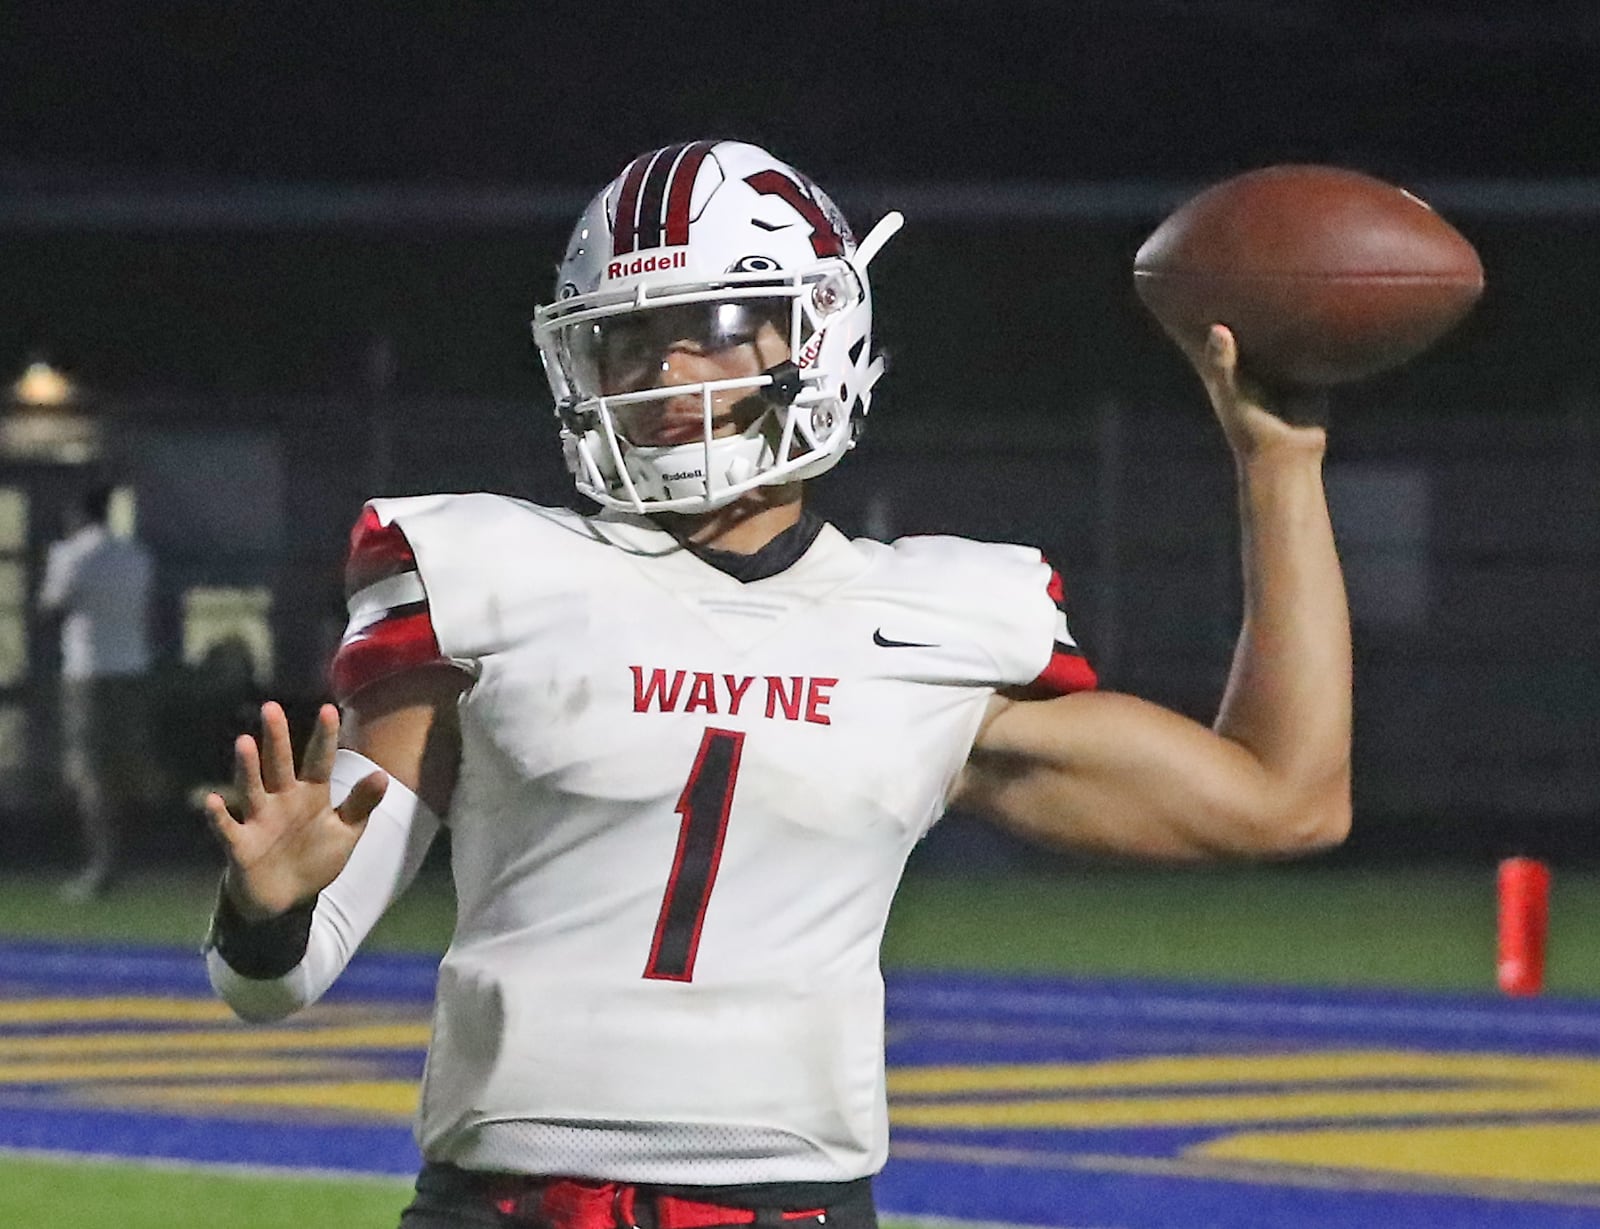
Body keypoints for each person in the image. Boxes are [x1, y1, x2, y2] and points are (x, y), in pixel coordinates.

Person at [203, 141, 1351, 1228]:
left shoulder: (943, 623)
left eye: (705, 330)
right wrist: (266, 906)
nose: (664, 373)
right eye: (630, 341)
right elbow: (274, 981)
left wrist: (1279, 462)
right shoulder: (488, 575)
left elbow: (1284, 798)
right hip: (507, 1202)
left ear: (818, 333)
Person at [38, 482, 156, 899]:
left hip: (88, 672)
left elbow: (52, 608)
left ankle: (101, 864)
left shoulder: (71, 555)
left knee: (90, 771)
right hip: (132, 670)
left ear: (78, 513)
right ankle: (124, 857)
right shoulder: (136, 556)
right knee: (124, 767)